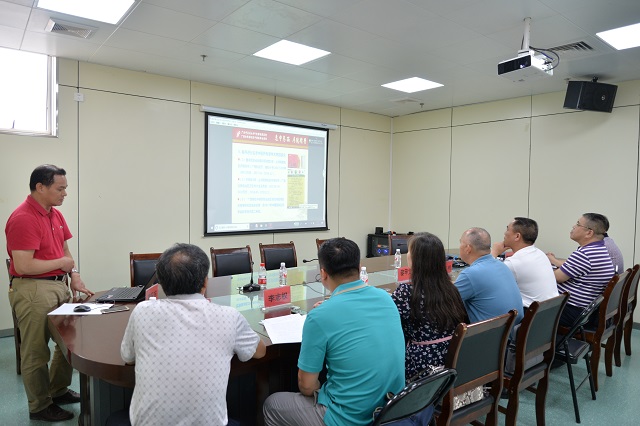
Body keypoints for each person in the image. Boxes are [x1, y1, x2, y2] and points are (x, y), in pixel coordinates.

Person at [263, 238, 405, 426]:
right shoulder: (385, 298)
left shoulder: (320, 316)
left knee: (272, 405)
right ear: (359, 267)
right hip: (391, 410)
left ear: (323, 274)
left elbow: (306, 386)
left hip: (348, 419)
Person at [120, 243, 266, 426]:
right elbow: (259, 351)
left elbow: (128, 357)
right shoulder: (228, 316)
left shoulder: (142, 312)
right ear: (205, 282)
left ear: (162, 284)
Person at [5, 164, 93, 422]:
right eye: (60, 188)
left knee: (69, 341)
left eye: (65, 188)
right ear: (40, 187)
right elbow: (23, 265)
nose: (65, 193)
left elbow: (65, 251)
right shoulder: (23, 218)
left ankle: (58, 390)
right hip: (33, 289)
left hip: (58, 285)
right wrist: (62, 264)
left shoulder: (55, 214)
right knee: (36, 351)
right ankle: (40, 406)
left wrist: (74, 274)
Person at [391, 232, 467, 380]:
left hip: (420, 366)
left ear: (416, 259)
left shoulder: (406, 292)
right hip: (451, 360)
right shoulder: (451, 288)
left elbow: (390, 326)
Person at [547, 213, 616, 327]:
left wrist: (538, 268)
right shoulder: (598, 249)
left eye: (578, 224)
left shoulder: (585, 254)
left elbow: (556, 278)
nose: (573, 226)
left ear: (589, 233)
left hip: (573, 311)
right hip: (585, 310)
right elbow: (572, 266)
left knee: (528, 307)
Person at [454, 227, 524, 325]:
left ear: (468, 248)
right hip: (512, 329)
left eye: (460, 242)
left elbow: (444, 303)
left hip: (489, 333)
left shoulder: (470, 275)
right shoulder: (502, 266)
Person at [491, 217, 558, 309]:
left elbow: (487, 278)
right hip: (548, 312)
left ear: (517, 236)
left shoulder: (514, 263)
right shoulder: (540, 253)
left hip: (529, 313)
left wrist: (494, 253)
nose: (504, 233)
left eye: (507, 229)